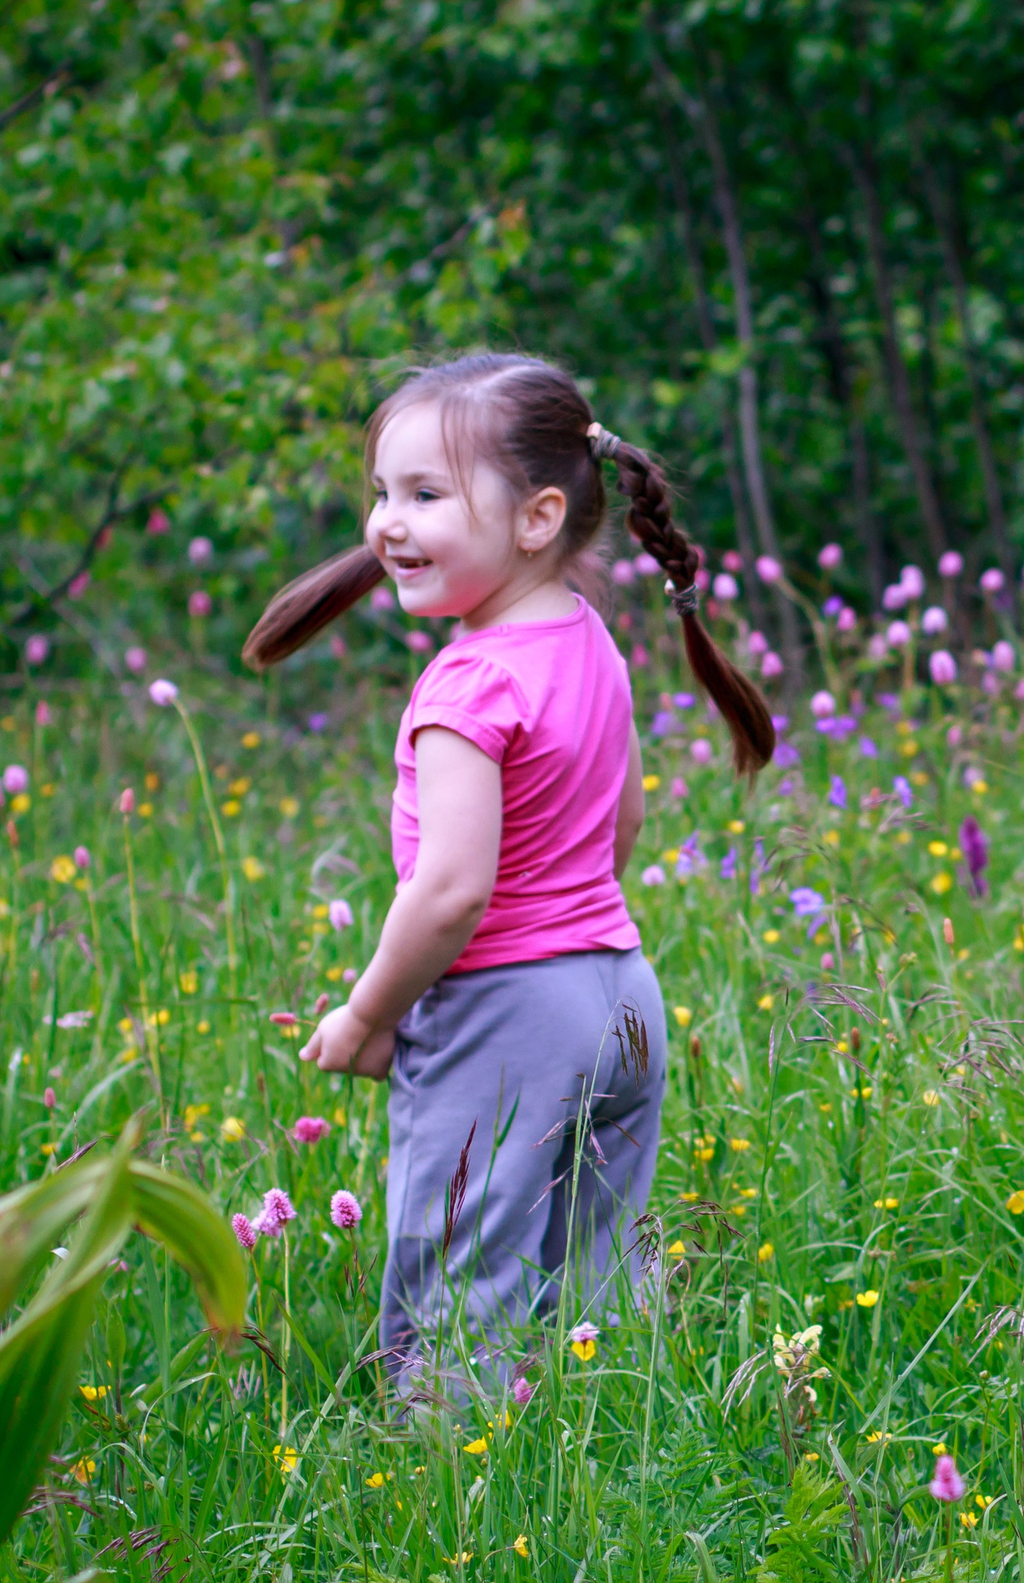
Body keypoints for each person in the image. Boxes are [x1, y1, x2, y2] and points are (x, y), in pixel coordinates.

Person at [240, 352, 772, 1390]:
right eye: (382, 492)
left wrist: (364, 1014)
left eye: (425, 494)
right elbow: (620, 828)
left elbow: (450, 891)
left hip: (503, 1018)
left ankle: (449, 1482)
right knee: (594, 1276)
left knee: (460, 1285)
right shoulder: (591, 645)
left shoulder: (468, 685)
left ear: (534, 518)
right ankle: (608, 1447)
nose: (388, 522)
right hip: (619, 995)